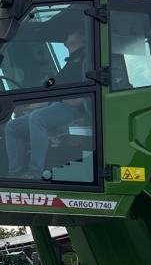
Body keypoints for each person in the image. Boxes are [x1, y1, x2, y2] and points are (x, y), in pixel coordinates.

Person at [5, 25, 90, 177]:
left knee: (37, 119)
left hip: (73, 108)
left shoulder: (86, 60)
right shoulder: (68, 65)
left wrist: (77, 99)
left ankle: (35, 172)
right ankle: (15, 174)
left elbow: (85, 93)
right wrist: (28, 105)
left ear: (83, 37)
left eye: (71, 31)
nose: (67, 34)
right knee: (12, 127)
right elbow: (50, 88)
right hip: (58, 105)